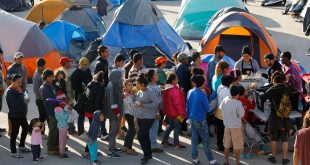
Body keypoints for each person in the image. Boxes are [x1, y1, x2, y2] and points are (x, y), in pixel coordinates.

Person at [259, 74, 293, 164]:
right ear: (283, 81)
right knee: (284, 138)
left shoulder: (272, 89)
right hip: (285, 117)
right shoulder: (287, 89)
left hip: (275, 117)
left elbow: (262, 98)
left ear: (274, 81)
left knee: (273, 138)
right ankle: (285, 158)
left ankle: (273, 157)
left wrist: (261, 93)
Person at [186, 75, 219, 165]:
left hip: (192, 119)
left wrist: (188, 118)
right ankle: (211, 160)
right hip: (201, 119)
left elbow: (187, 107)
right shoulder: (203, 94)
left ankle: (195, 159)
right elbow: (208, 109)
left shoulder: (190, 92)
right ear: (202, 83)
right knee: (205, 140)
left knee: (194, 139)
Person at [134, 74, 159, 164]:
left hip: (149, 117)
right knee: (145, 136)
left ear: (143, 84)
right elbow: (136, 101)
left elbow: (156, 104)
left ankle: (146, 155)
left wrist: (143, 105)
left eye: (137, 84)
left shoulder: (150, 92)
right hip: (140, 116)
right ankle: (149, 154)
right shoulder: (139, 92)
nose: (136, 85)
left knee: (140, 136)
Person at [6, 74, 30, 158]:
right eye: (18, 82)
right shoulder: (9, 91)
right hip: (14, 115)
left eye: (21, 82)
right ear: (12, 82)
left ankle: (21, 146)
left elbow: (24, 101)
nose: (20, 84)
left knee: (26, 128)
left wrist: (26, 98)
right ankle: (13, 152)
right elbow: (14, 105)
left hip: (22, 114)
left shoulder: (19, 89)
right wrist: (20, 94)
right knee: (14, 133)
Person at [82, 71, 106, 158]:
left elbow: (87, 96)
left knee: (92, 130)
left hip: (88, 109)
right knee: (94, 132)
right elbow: (98, 101)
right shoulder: (100, 87)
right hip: (95, 112)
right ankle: (89, 151)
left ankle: (88, 150)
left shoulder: (90, 84)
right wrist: (99, 113)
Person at [220, 85, 245, 165]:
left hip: (227, 126)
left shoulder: (225, 99)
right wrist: (243, 108)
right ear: (238, 94)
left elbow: (221, 108)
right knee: (237, 147)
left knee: (226, 146)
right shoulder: (238, 103)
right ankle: (237, 162)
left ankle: (226, 162)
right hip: (236, 127)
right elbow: (241, 115)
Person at [162, 73, 187, 148]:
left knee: (170, 127)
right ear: (173, 81)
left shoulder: (169, 89)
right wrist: (182, 113)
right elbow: (178, 104)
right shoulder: (173, 90)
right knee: (177, 128)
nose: (178, 80)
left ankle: (164, 141)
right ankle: (176, 143)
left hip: (171, 112)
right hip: (177, 113)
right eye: (177, 79)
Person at [70, 57, 92, 136]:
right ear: (80, 64)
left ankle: (88, 129)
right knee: (81, 113)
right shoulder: (76, 73)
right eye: (83, 65)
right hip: (80, 96)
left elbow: (91, 80)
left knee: (89, 112)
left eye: (86, 65)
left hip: (88, 95)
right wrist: (81, 90)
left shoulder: (88, 71)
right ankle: (81, 131)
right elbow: (73, 85)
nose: (85, 66)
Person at [105, 69, 123, 158]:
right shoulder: (112, 86)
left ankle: (113, 147)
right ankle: (111, 151)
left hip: (115, 113)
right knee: (113, 131)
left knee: (114, 130)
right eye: (120, 77)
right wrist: (117, 113)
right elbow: (112, 102)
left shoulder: (114, 84)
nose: (121, 78)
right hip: (114, 113)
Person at [40, 69, 59, 155]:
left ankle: (55, 145)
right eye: (51, 77)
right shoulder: (44, 88)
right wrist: (59, 100)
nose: (53, 78)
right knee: (53, 130)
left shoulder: (51, 85)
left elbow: (55, 95)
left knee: (56, 129)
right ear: (46, 77)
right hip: (52, 112)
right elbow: (51, 100)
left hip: (56, 110)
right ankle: (50, 148)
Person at [214, 75, 234, 151]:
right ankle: (224, 146)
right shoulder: (226, 91)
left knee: (220, 131)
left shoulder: (220, 86)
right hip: (224, 113)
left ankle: (220, 145)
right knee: (225, 131)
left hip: (218, 112)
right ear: (229, 83)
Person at [146, 70, 164, 153]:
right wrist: (157, 112)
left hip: (156, 110)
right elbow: (152, 101)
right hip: (154, 111)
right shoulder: (151, 87)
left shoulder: (154, 85)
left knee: (153, 128)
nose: (157, 76)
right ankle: (153, 146)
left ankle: (151, 145)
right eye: (156, 75)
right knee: (153, 128)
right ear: (152, 77)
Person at [58, 57, 76, 135]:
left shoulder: (66, 71)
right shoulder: (62, 72)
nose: (71, 63)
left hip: (69, 96)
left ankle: (71, 128)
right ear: (65, 64)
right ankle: (70, 129)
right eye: (69, 62)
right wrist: (67, 97)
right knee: (68, 112)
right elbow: (64, 87)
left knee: (70, 112)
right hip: (67, 97)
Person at [122, 79, 138, 155]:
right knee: (133, 131)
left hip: (131, 113)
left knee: (130, 131)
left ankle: (125, 147)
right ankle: (129, 148)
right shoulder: (125, 94)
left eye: (131, 84)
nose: (131, 86)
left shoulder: (131, 93)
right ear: (125, 86)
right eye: (128, 85)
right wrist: (138, 103)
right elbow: (130, 105)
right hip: (128, 113)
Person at [33, 58, 47, 137]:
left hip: (43, 99)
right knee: (42, 116)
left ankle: (40, 131)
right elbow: (36, 90)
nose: (45, 67)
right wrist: (42, 98)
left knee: (44, 116)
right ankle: (40, 133)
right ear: (40, 66)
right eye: (44, 66)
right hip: (40, 100)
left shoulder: (42, 73)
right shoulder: (36, 75)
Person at [54, 93, 71, 159]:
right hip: (63, 126)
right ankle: (62, 154)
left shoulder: (58, 108)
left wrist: (66, 109)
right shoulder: (59, 109)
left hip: (61, 126)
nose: (65, 102)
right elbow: (64, 117)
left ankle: (61, 152)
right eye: (64, 101)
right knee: (63, 140)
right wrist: (68, 111)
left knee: (62, 139)